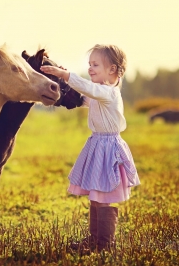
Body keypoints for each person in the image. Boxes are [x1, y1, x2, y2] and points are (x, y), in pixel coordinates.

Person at [40, 44, 140, 251]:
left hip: (108, 148)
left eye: (95, 65)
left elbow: (89, 89)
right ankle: (94, 240)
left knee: (102, 197)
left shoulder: (108, 93)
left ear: (112, 70)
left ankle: (104, 244)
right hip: (98, 145)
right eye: (89, 64)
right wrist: (62, 85)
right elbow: (83, 97)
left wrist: (65, 74)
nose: (90, 68)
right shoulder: (100, 94)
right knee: (96, 196)